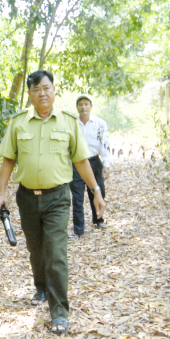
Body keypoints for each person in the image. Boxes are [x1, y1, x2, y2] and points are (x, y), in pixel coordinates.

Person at [0, 70, 105, 335]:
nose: (42, 93)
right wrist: (1, 193)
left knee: (56, 253)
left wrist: (96, 190)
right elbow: (8, 158)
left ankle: (59, 312)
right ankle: (40, 286)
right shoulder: (18, 123)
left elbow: (81, 160)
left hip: (57, 197)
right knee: (36, 249)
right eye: (36, 89)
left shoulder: (68, 122)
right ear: (30, 94)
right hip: (27, 197)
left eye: (46, 88)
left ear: (54, 90)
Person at [70, 94, 111, 240]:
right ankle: (78, 229)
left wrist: (106, 164)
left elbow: (105, 143)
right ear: (77, 107)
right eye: (80, 104)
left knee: (97, 191)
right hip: (76, 162)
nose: (83, 107)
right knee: (77, 195)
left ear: (91, 106)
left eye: (86, 104)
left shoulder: (100, 123)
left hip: (94, 161)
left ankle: (98, 219)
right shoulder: (72, 123)